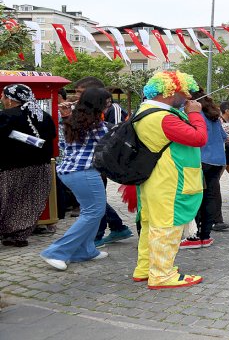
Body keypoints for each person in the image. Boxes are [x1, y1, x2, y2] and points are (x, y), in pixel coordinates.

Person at [131, 70, 207, 289]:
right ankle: (162, 274)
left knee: (151, 224)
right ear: (170, 92)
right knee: (167, 226)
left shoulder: (146, 110)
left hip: (156, 178)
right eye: (185, 92)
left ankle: (145, 268)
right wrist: (195, 114)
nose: (189, 97)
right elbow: (199, 138)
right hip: (171, 180)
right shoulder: (162, 117)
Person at [40, 88, 112, 270]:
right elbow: (110, 145)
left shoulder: (71, 121)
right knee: (93, 212)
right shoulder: (97, 126)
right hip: (85, 172)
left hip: (69, 171)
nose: (108, 106)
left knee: (92, 211)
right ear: (98, 104)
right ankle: (56, 252)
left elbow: (62, 145)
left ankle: (86, 250)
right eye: (106, 103)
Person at [67, 77, 133, 248]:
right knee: (96, 200)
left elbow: (117, 134)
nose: (76, 96)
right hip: (87, 164)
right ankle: (117, 227)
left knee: (95, 201)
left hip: (99, 163)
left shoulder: (113, 110)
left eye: (80, 92)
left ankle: (97, 235)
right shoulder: (82, 111)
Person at [0, 84, 57, 248]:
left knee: (6, 200)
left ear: (10, 99)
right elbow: (51, 137)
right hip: (40, 167)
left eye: (3, 96)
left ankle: (8, 232)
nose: (1, 99)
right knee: (29, 202)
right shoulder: (44, 116)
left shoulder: (6, 116)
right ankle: (18, 236)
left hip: (12, 167)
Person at [180, 91, 226, 249]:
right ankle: (205, 236)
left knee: (195, 197)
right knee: (210, 197)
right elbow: (223, 136)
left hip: (199, 160)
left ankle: (193, 237)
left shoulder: (191, 114)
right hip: (217, 161)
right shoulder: (213, 114)